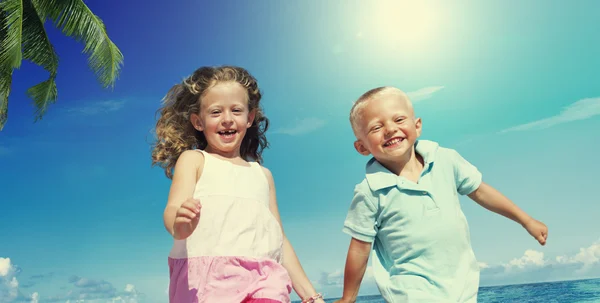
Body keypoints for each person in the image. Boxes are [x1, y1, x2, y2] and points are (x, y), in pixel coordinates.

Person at [334, 86, 548, 303]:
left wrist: (526, 220)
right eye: (376, 127)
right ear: (362, 147)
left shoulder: (446, 160)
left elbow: (481, 192)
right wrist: (348, 298)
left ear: (417, 126)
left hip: (462, 287)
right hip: (411, 291)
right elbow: (359, 248)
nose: (390, 129)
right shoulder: (369, 191)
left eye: (398, 119)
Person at [151, 66, 325, 303]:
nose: (227, 119)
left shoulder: (263, 175)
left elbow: (279, 240)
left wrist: (312, 296)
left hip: (264, 278)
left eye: (236, 110)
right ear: (198, 122)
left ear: (249, 118)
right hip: (206, 282)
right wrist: (179, 225)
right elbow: (173, 208)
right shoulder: (194, 160)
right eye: (215, 112)